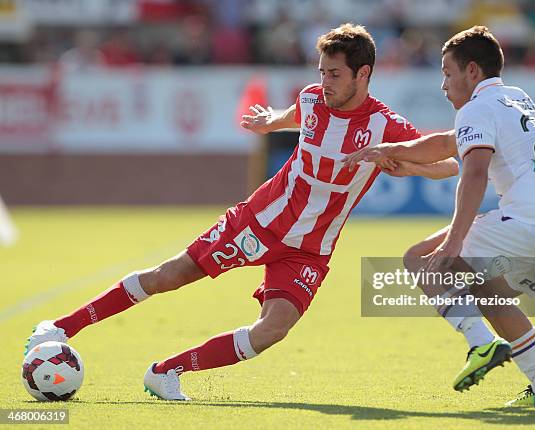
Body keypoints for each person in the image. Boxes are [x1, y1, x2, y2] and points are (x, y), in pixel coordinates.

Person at [25, 23, 459, 401]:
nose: (325, 82)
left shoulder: (385, 126)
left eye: (335, 74)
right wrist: (269, 121)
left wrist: (412, 162)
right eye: (321, 72)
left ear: (363, 74)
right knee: (171, 276)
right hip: (260, 222)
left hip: (310, 249)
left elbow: (440, 165)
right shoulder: (311, 100)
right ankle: (61, 328)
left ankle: (165, 372)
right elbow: (294, 115)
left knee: (272, 330)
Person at [343, 26, 535, 407]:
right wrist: (392, 151)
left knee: (420, 259)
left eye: (447, 72)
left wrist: (455, 240)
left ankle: (481, 344)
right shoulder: (514, 98)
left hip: (532, 223)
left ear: (472, 71)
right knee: (488, 295)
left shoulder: (478, 107)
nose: (443, 85)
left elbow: (473, 172)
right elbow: (445, 144)